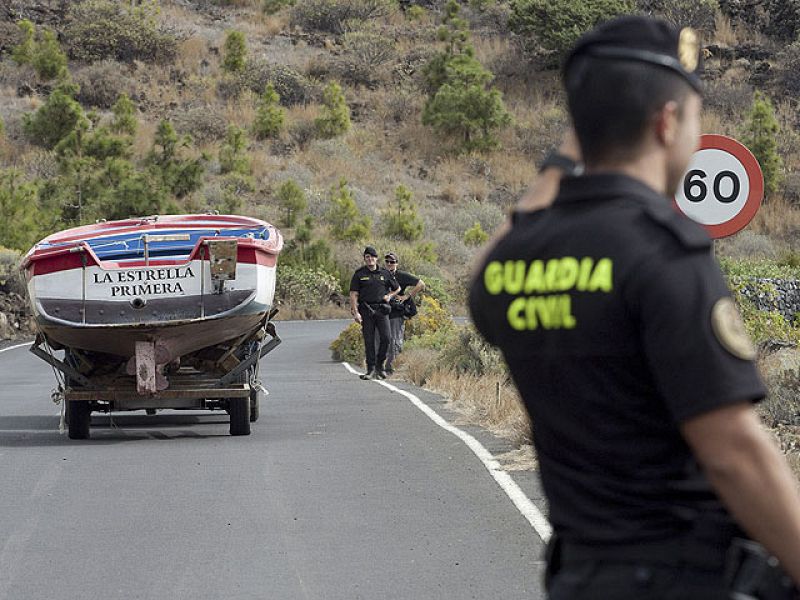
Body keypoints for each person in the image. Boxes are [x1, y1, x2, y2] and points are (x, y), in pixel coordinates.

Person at [468, 15, 800, 600]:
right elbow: (732, 451)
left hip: (582, 577)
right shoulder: (661, 251)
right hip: (684, 578)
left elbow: (486, 272)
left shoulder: (516, 262)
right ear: (668, 122)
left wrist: (567, 154)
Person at [349, 246, 399, 380]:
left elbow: (397, 288)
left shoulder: (385, 273)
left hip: (382, 310)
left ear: (376, 258)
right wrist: (356, 312)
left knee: (386, 338)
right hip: (366, 310)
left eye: (372, 257)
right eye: (367, 257)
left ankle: (380, 366)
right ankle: (370, 369)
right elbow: (353, 294)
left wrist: (389, 296)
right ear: (365, 259)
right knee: (369, 341)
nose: (370, 259)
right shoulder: (359, 274)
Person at [381, 252, 425, 375]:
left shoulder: (401, 276)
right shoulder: (381, 275)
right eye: (387, 262)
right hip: (383, 312)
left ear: (397, 264)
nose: (389, 264)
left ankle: (392, 367)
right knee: (383, 339)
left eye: (392, 262)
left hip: (396, 312)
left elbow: (421, 284)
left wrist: (407, 296)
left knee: (395, 340)